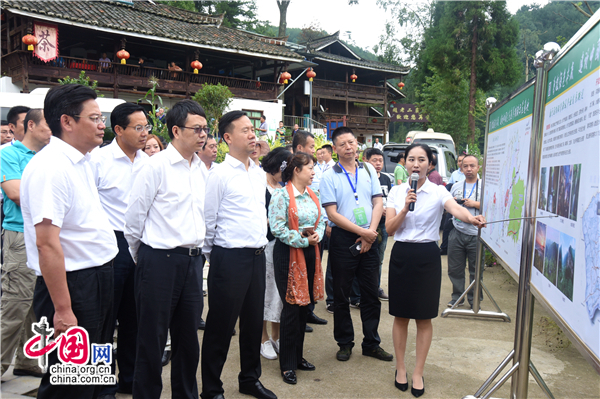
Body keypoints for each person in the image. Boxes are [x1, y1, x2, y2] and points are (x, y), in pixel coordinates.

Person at [21, 84, 118, 399]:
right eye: (94, 117)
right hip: (73, 286)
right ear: (67, 122)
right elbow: (46, 244)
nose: (102, 124)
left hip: (98, 276)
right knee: (70, 379)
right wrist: (63, 309)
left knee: (92, 372)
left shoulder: (84, 160)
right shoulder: (51, 168)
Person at [385, 144, 486, 397]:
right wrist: (405, 207)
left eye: (422, 159)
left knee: (424, 317)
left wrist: (471, 218)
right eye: (411, 159)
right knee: (400, 315)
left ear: (430, 165)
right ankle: (401, 368)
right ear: (405, 163)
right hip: (401, 255)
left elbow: (455, 209)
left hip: (427, 256)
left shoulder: (439, 190)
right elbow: (389, 229)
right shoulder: (397, 192)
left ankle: (418, 372)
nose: (416, 164)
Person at [124, 100, 208, 399]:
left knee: (188, 341)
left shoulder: (201, 169)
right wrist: (147, 258)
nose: (203, 135)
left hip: (193, 262)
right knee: (152, 340)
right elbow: (133, 220)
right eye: (196, 129)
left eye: (205, 129)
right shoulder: (154, 167)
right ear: (175, 130)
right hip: (159, 260)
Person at [201, 110, 277, 399]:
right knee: (221, 326)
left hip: (257, 256)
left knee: (253, 323)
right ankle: (211, 387)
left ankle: (249, 379)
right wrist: (216, 257)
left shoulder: (258, 174)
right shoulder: (218, 174)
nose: (252, 134)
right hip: (229, 259)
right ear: (227, 138)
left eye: (253, 129)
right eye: (245, 130)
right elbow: (209, 221)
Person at [90, 103, 150, 399]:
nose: (144, 134)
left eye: (146, 127)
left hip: (140, 243)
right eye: (138, 128)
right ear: (118, 130)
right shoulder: (98, 160)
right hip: (108, 244)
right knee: (104, 319)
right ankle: (101, 386)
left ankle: (129, 379)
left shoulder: (149, 162)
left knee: (135, 318)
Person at [319, 126, 393, 363]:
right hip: (344, 239)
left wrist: (371, 232)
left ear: (357, 144)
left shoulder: (369, 169)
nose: (348, 147)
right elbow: (332, 213)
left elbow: (377, 201)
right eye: (343, 144)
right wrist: (363, 232)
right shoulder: (329, 176)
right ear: (335, 149)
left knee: (370, 293)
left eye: (351, 142)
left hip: (370, 234)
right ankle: (344, 343)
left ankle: (371, 343)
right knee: (342, 294)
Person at [1, 109, 51, 379]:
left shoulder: (49, 156)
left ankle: (28, 360)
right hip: (20, 234)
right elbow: (15, 194)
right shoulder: (8, 154)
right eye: (47, 124)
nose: (52, 129)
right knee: (16, 302)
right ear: (31, 126)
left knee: (36, 303)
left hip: (46, 235)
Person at [269, 152, 325, 385]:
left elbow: (321, 221)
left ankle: (298, 356)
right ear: (296, 170)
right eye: (310, 168)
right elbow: (277, 228)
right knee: (292, 307)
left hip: (310, 253)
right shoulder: (282, 195)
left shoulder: (313, 194)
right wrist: (303, 240)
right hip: (289, 255)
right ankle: (288, 364)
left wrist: (317, 235)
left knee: (305, 306)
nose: (314, 172)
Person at [259, 148, 291, 361]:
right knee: (264, 293)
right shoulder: (259, 185)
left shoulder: (283, 187)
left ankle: (276, 336)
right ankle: (262, 339)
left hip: (282, 246)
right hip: (265, 245)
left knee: (280, 293)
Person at [447, 154, 482, 308]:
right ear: (461, 168)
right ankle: (457, 298)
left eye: (472, 166)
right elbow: (447, 205)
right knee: (455, 268)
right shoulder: (455, 186)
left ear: (478, 167)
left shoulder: (486, 186)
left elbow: (495, 206)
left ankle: (475, 301)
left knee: (477, 271)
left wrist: (475, 204)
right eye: (465, 166)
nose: (469, 169)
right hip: (457, 231)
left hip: (477, 234)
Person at [364, 148, 391, 301]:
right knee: (365, 258)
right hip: (368, 225)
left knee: (379, 258)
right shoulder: (363, 179)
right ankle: (361, 291)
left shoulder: (386, 179)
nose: (378, 164)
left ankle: (376, 287)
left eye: (380, 161)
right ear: (366, 160)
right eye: (375, 160)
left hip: (384, 225)